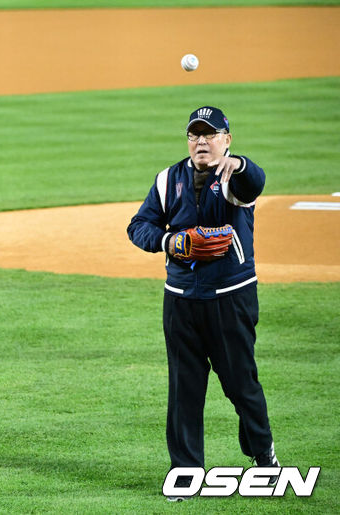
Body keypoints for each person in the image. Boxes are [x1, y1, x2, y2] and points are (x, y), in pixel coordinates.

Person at [126, 106, 279, 501]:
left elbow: (254, 182)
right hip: (180, 300)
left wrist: (240, 164)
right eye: (195, 135)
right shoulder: (167, 179)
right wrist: (167, 241)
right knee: (184, 389)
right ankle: (186, 472)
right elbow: (138, 225)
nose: (201, 142)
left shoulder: (233, 176)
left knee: (240, 384)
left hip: (230, 297)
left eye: (210, 135)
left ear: (226, 139)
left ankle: (263, 455)